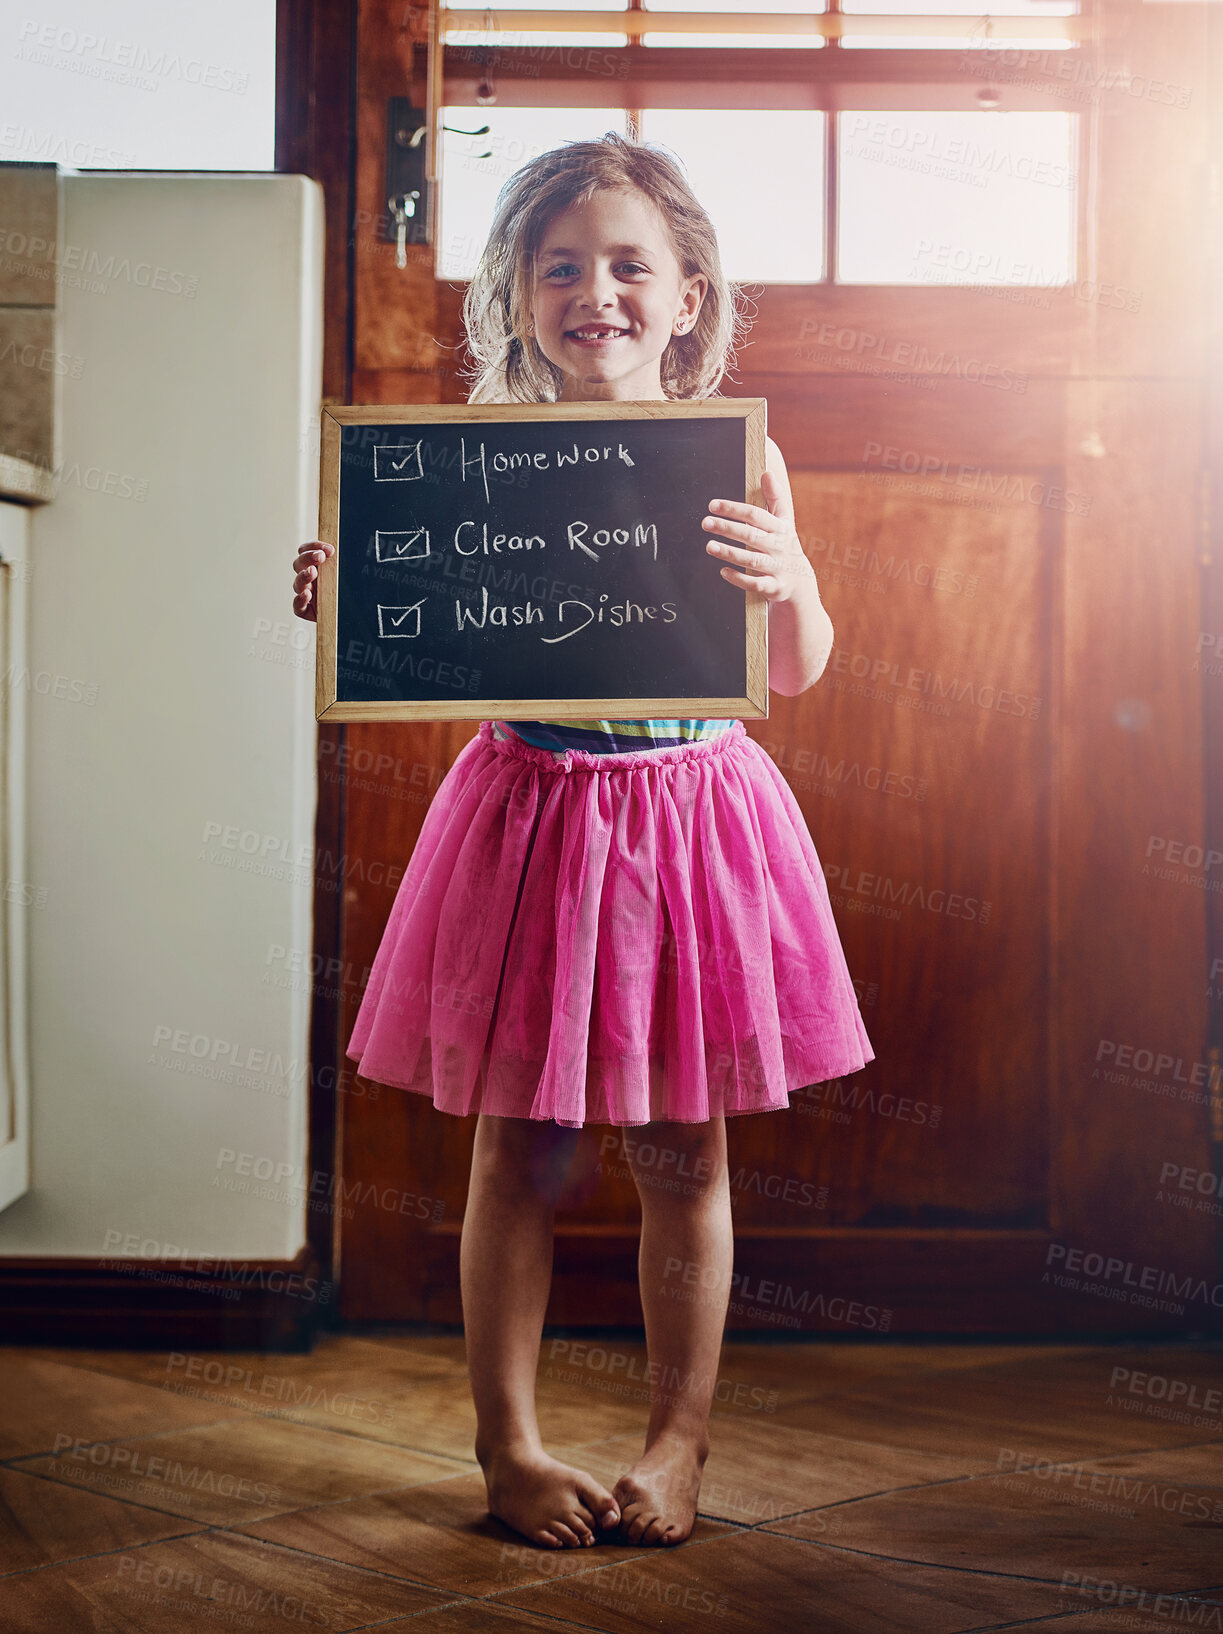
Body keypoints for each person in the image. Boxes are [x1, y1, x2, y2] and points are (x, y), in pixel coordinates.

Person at [292, 131, 874, 1552]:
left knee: (689, 1155)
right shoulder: (476, 458)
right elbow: (412, 630)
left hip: (694, 826)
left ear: (687, 296)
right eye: (563, 267)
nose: (595, 291)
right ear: (519, 294)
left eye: (630, 265)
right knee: (520, 1155)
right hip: (535, 817)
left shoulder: (742, 450)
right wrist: (349, 584)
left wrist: (791, 577)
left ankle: (679, 1442)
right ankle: (510, 1446)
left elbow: (796, 665)